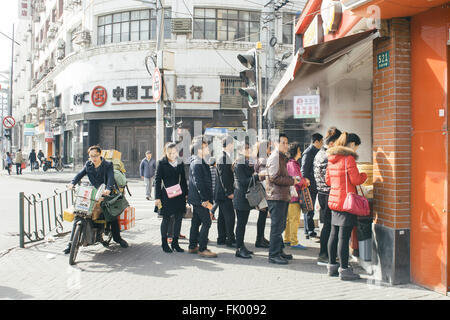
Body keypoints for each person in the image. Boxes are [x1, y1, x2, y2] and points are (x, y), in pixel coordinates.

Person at [64, 145, 128, 254]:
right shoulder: (88, 165)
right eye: (91, 156)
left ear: (100, 155)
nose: (93, 158)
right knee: (79, 213)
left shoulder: (107, 165)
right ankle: (70, 244)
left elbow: (111, 178)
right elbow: (80, 174)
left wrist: (108, 189)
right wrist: (72, 183)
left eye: (96, 156)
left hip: (107, 192)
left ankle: (117, 238)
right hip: (94, 192)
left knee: (111, 215)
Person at [326, 132, 367, 281]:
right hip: (346, 202)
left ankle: (332, 267)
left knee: (333, 234)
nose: (356, 150)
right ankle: (344, 269)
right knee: (344, 236)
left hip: (334, 201)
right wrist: (365, 176)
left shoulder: (332, 159)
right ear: (351, 145)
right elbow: (356, 180)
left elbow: (328, 181)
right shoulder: (349, 159)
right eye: (356, 147)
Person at [266, 134, 299, 265]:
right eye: (283, 143)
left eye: (286, 142)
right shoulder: (275, 157)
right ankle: (273, 255)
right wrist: (292, 181)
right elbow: (274, 177)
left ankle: (279, 251)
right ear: (276, 144)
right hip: (276, 196)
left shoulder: (281, 157)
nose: (286, 145)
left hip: (281, 196)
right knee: (277, 227)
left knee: (280, 226)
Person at [314, 127, 342, 266]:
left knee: (328, 224)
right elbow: (329, 179)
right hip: (327, 193)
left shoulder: (320, 153)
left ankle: (326, 253)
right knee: (329, 225)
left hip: (322, 193)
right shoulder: (327, 156)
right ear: (332, 143)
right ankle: (324, 254)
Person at [233, 142, 266, 259]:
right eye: (246, 148)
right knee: (241, 224)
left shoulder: (247, 162)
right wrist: (257, 176)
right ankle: (239, 248)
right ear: (240, 150)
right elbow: (243, 181)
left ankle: (241, 246)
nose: (248, 150)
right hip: (241, 197)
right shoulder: (239, 164)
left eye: (249, 147)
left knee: (243, 223)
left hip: (246, 197)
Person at [155, 142, 188, 253]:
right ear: (165, 152)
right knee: (166, 219)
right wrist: (157, 197)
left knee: (179, 219)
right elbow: (157, 180)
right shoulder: (161, 163)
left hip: (179, 194)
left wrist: (186, 193)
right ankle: (164, 243)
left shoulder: (179, 162)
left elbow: (183, 179)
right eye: (170, 153)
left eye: (174, 152)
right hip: (166, 195)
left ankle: (175, 243)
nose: (172, 155)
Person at [187, 136, 217, 258]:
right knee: (207, 222)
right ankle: (202, 248)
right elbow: (198, 182)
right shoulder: (197, 162)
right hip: (200, 200)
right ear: (199, 149)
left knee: (196, 221)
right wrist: (205, 199)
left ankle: (192, 246)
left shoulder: (198, 161)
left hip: (197, 199)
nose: (207, 149)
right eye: (205, 147)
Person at [285, 142, 310, 250]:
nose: (300, 153)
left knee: (289, 219)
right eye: (299, 150)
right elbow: (297, 180)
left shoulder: (289, 163)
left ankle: (287, 239)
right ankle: (294, 241)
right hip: (294, 195)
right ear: (296, 152)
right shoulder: (293, 164)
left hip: (289, 194)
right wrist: (306, 181)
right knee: (294, 219)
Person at [215, 136, 236, 248]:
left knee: (222, 217)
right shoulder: (223, 158)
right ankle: (230, 239)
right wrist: (229, 192)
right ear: (229, 144)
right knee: (230, 216)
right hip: (224, 193)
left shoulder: (224, 157)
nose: (233, 146)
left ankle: (221, 238)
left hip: (221, 193)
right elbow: (224, 177)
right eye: (232, 144)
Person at [301, 133, 323, 239]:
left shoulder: (316, 151)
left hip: (315, 184)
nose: (322, 144)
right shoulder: (309, 152)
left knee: (310, 208)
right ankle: (309, 230)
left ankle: (308, 230)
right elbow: (304, 169)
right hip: (310, 185)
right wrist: (306, 180)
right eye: (321, 141)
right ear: (316, 142)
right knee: (309, 208)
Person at [253, 140, 271, 248]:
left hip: (261, 190)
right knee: (263, 215)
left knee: (263, 215)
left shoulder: (259, 159)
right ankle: (259, 239)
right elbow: (264, 178)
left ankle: (260, 238)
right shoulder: (263, 160)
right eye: (269, 147)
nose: (270, 149)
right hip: (263, 191)